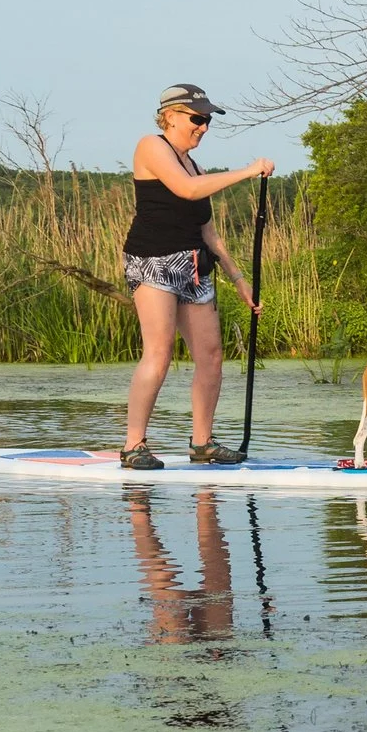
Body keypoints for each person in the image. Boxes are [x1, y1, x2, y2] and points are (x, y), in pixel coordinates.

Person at [121, 84, 271, 469]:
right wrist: (248, 170)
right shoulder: (151, 147)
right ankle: (133, 445)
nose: (203, 127)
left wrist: (241, 282)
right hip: (153, 261)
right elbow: (186, 191)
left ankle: (202, 443)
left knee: (211, 356)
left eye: (207, 121)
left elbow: (210, 234)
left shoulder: (197, 167)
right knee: (159, 352)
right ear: (170, 116)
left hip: (194, 265)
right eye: (197, 119)